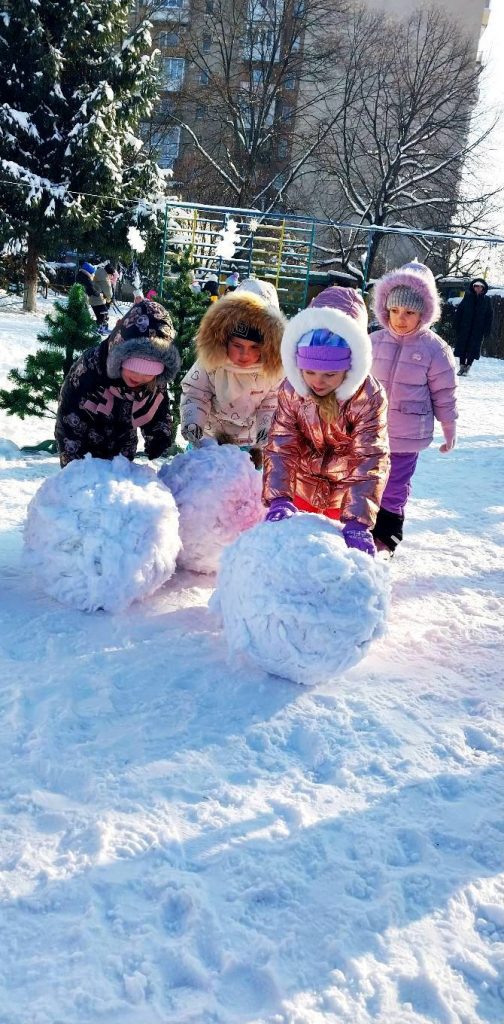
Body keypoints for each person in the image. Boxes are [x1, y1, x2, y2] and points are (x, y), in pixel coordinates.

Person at [262, 286, 390, 557]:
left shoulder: (367, 396)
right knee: (295, 554)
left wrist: (357, 521)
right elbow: (281, 445)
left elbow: (369, 457)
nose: (317, 382)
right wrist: (279, 498)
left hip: (345, 495)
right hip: (300, 487)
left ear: (351, 367)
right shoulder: (292, 390)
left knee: (332, 558)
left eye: (330, 374)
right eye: (309, 371)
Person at [371, 261, 458, 554]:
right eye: (394, 310)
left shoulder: (435, 349)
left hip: (406, 437)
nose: (400, 319)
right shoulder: (373, 342)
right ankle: (361, 528)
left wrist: (449, 427)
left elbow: (444, 393)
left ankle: (388, 537)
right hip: (370, 432)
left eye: (409, 312)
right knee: (365, 481)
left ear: (425, 312)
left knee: (394, 486)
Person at [55, 299, 180, 467]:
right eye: (134, 367)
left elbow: (159, 407)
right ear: (119, 359)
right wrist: (73, 464)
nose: (139, 377)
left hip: (123, 450)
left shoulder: (154, 382)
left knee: (118, 480)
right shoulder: (89, 369)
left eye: (149, 373)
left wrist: (159, 434)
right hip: (83, 448)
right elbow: (69, 413)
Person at [180, 279, 286, 468]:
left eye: (254, 347)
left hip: (248, 445)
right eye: (237, 345)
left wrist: (266, 431)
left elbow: (271, 404)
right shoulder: (211, 361)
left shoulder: (272, 371)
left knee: (241, 484)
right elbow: (196, 392)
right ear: (224, 338)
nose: (245, 354)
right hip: (208, 439)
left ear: (268, 345)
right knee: (198, 479)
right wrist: (193, 422)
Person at [454, 277, 493, 376]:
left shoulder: (486, 300)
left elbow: (489, 316)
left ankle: (468, 367)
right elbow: (460, 312)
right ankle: (462, 366)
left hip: (478, 330)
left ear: (483, 288)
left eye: (480, 287)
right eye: (476, 286)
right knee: (463, 347)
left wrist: (486, 329)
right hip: (465, 328)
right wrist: (457, 325)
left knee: (473, 348)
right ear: (473, 287)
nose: (478, 288)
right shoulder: (467, 298)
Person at [90, 262, 116, 333]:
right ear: (109, 273)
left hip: (94, 299)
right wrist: (110, 299)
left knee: (102, 315)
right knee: (103, 316)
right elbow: (108, 291)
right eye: (111, 275)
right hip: (98, 300)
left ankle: (98, 328)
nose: (111, 277)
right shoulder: (105, 279)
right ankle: (100, 329)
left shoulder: (99, 271)